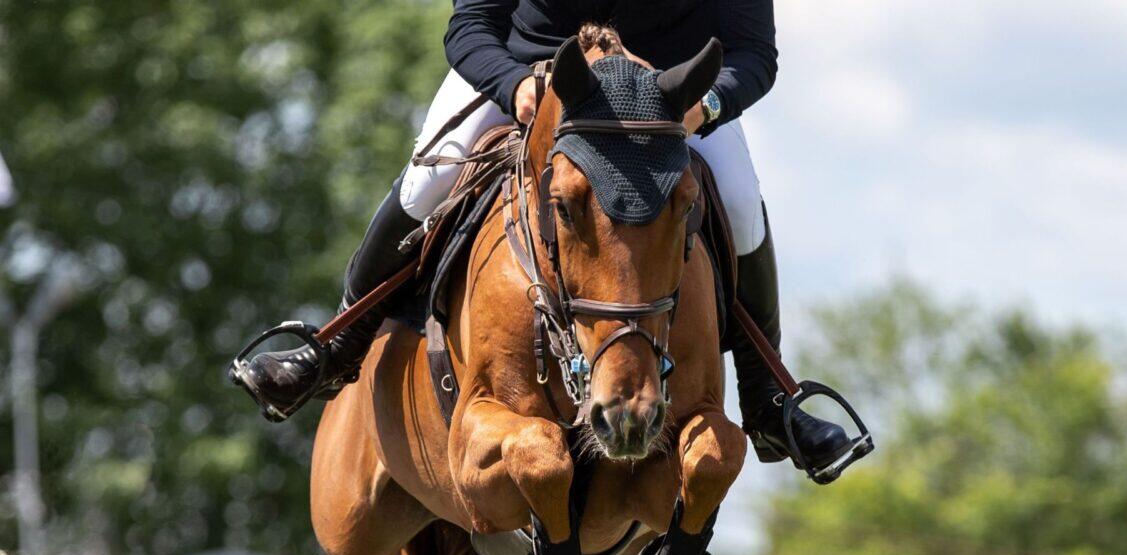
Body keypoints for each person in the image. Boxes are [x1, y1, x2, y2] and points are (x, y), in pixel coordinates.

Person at [230, 0, 855, 471]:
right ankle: (336, 347)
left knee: (739, 203)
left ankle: (768, 401)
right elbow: (470, 26)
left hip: (666, 97)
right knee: (427, 182)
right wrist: (515, 86)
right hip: (535, 74)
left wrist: (705, 106)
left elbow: (753, 52)